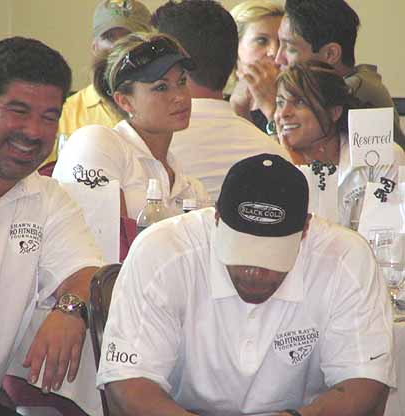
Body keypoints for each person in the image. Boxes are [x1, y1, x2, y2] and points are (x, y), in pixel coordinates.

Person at [96, 153, 395, 415]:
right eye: (242, 253)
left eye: (270, 258)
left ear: (305, 229)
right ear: (216, 218)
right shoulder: (162, 251)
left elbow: (366, 381)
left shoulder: (345, 258)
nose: (254, 272)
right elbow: (127, 384)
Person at [0, 37, 103, 415]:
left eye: (49, 117)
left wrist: (70, 309)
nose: (33, 131)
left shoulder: (47, 197)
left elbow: (87, 274)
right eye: (18, 111)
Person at [53, 32, 208, 219]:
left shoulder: (192, 189)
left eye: (182, 82)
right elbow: (99, 233)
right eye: (161, 87)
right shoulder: (97, 143)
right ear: (124, 101)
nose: (180, 97)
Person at [152, 0, 291, 202]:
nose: (274, 53)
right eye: (262, 40)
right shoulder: (275, 154)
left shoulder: (146, 149)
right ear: (235, 54)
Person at [274, 60, 405, 229]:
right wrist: (296, 171)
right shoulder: (271, 162)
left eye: (299, 102)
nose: (283, 113)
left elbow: (385, 237)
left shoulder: (382, 156)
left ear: (334, 112)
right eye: (280, 103)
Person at [270, 0, 405, 150]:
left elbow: (296, 144)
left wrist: (268, 104)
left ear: (330, 54)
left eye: (290, 48)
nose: (278, 59)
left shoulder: (356, 90)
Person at [42, 0, 152, 168]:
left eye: (128, 38)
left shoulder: (166, 108)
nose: (117, 47)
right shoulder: (64, 113)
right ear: (94, 47)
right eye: (109, 38)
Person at [227, 0, 284, 131]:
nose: (274, 51)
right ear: (235, 45)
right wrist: (239, 111)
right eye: (262, 41)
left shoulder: (304, 103)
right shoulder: (219, 105)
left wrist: (272, 109)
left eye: (282, 42)